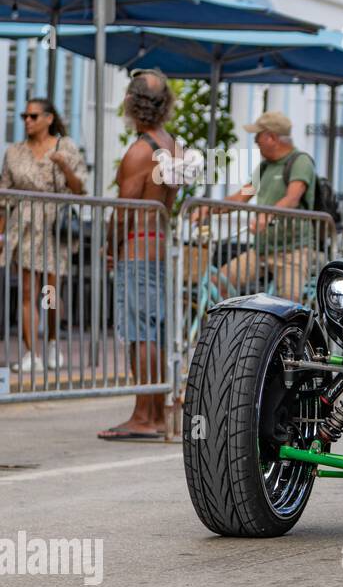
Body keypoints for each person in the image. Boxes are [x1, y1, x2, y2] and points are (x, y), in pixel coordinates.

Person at [100, 69, 183, 441]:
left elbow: (123, 211)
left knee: (141, 332)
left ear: (131, 104)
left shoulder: (138, 152)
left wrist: (110, 246)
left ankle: (143, 416)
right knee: (154, 330)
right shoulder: (174, 146)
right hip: (160, 244)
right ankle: (155, 413)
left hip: (138, 245)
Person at [0, 98, 88, 373]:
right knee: (27, 290)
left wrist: (64, 166)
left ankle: (52, 342)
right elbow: (3, 196)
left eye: (33, 116)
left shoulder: (66, 147)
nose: (27, 120)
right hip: (23, 226)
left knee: (49, 292)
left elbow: (79, 189)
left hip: (52, 227)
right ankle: (30, 352)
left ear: (49, 118)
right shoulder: (14, 152)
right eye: (25, 115)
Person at [205, 111, 318, 302]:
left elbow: (292, 198)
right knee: (218, 282)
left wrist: (266, 217)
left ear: (271, 137)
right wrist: (208, 209)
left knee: (290, 306)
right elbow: (242, 197)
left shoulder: (300, 161)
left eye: (258, 136)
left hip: (292, 252)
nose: (255, 141)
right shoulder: (265, 167)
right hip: (262, 249)